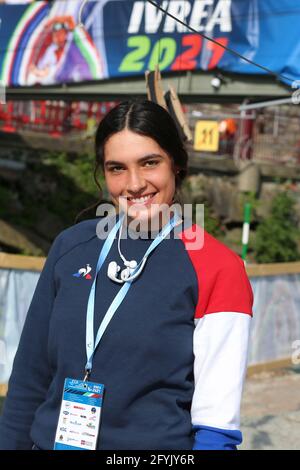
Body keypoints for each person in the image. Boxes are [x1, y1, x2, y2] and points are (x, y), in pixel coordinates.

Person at [0, 100, 253, 450]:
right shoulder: (71, 245)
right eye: (117, 168)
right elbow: (30, 378)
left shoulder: (218, 267)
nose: (134, 184)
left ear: (176, 164)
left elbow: (215, 428)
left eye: (149, 163)